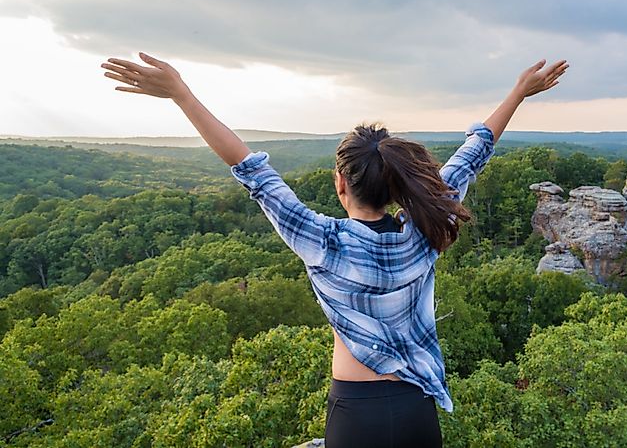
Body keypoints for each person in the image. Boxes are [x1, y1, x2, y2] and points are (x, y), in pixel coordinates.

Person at [101, 53, 569, 448]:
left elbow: (249, 167)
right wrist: (518, 93)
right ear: (394, 185)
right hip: (416, 407)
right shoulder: (424, 228)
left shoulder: (323, 241)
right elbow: (474, 151)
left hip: (354, 409)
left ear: (340, 182)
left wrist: (180, 92)